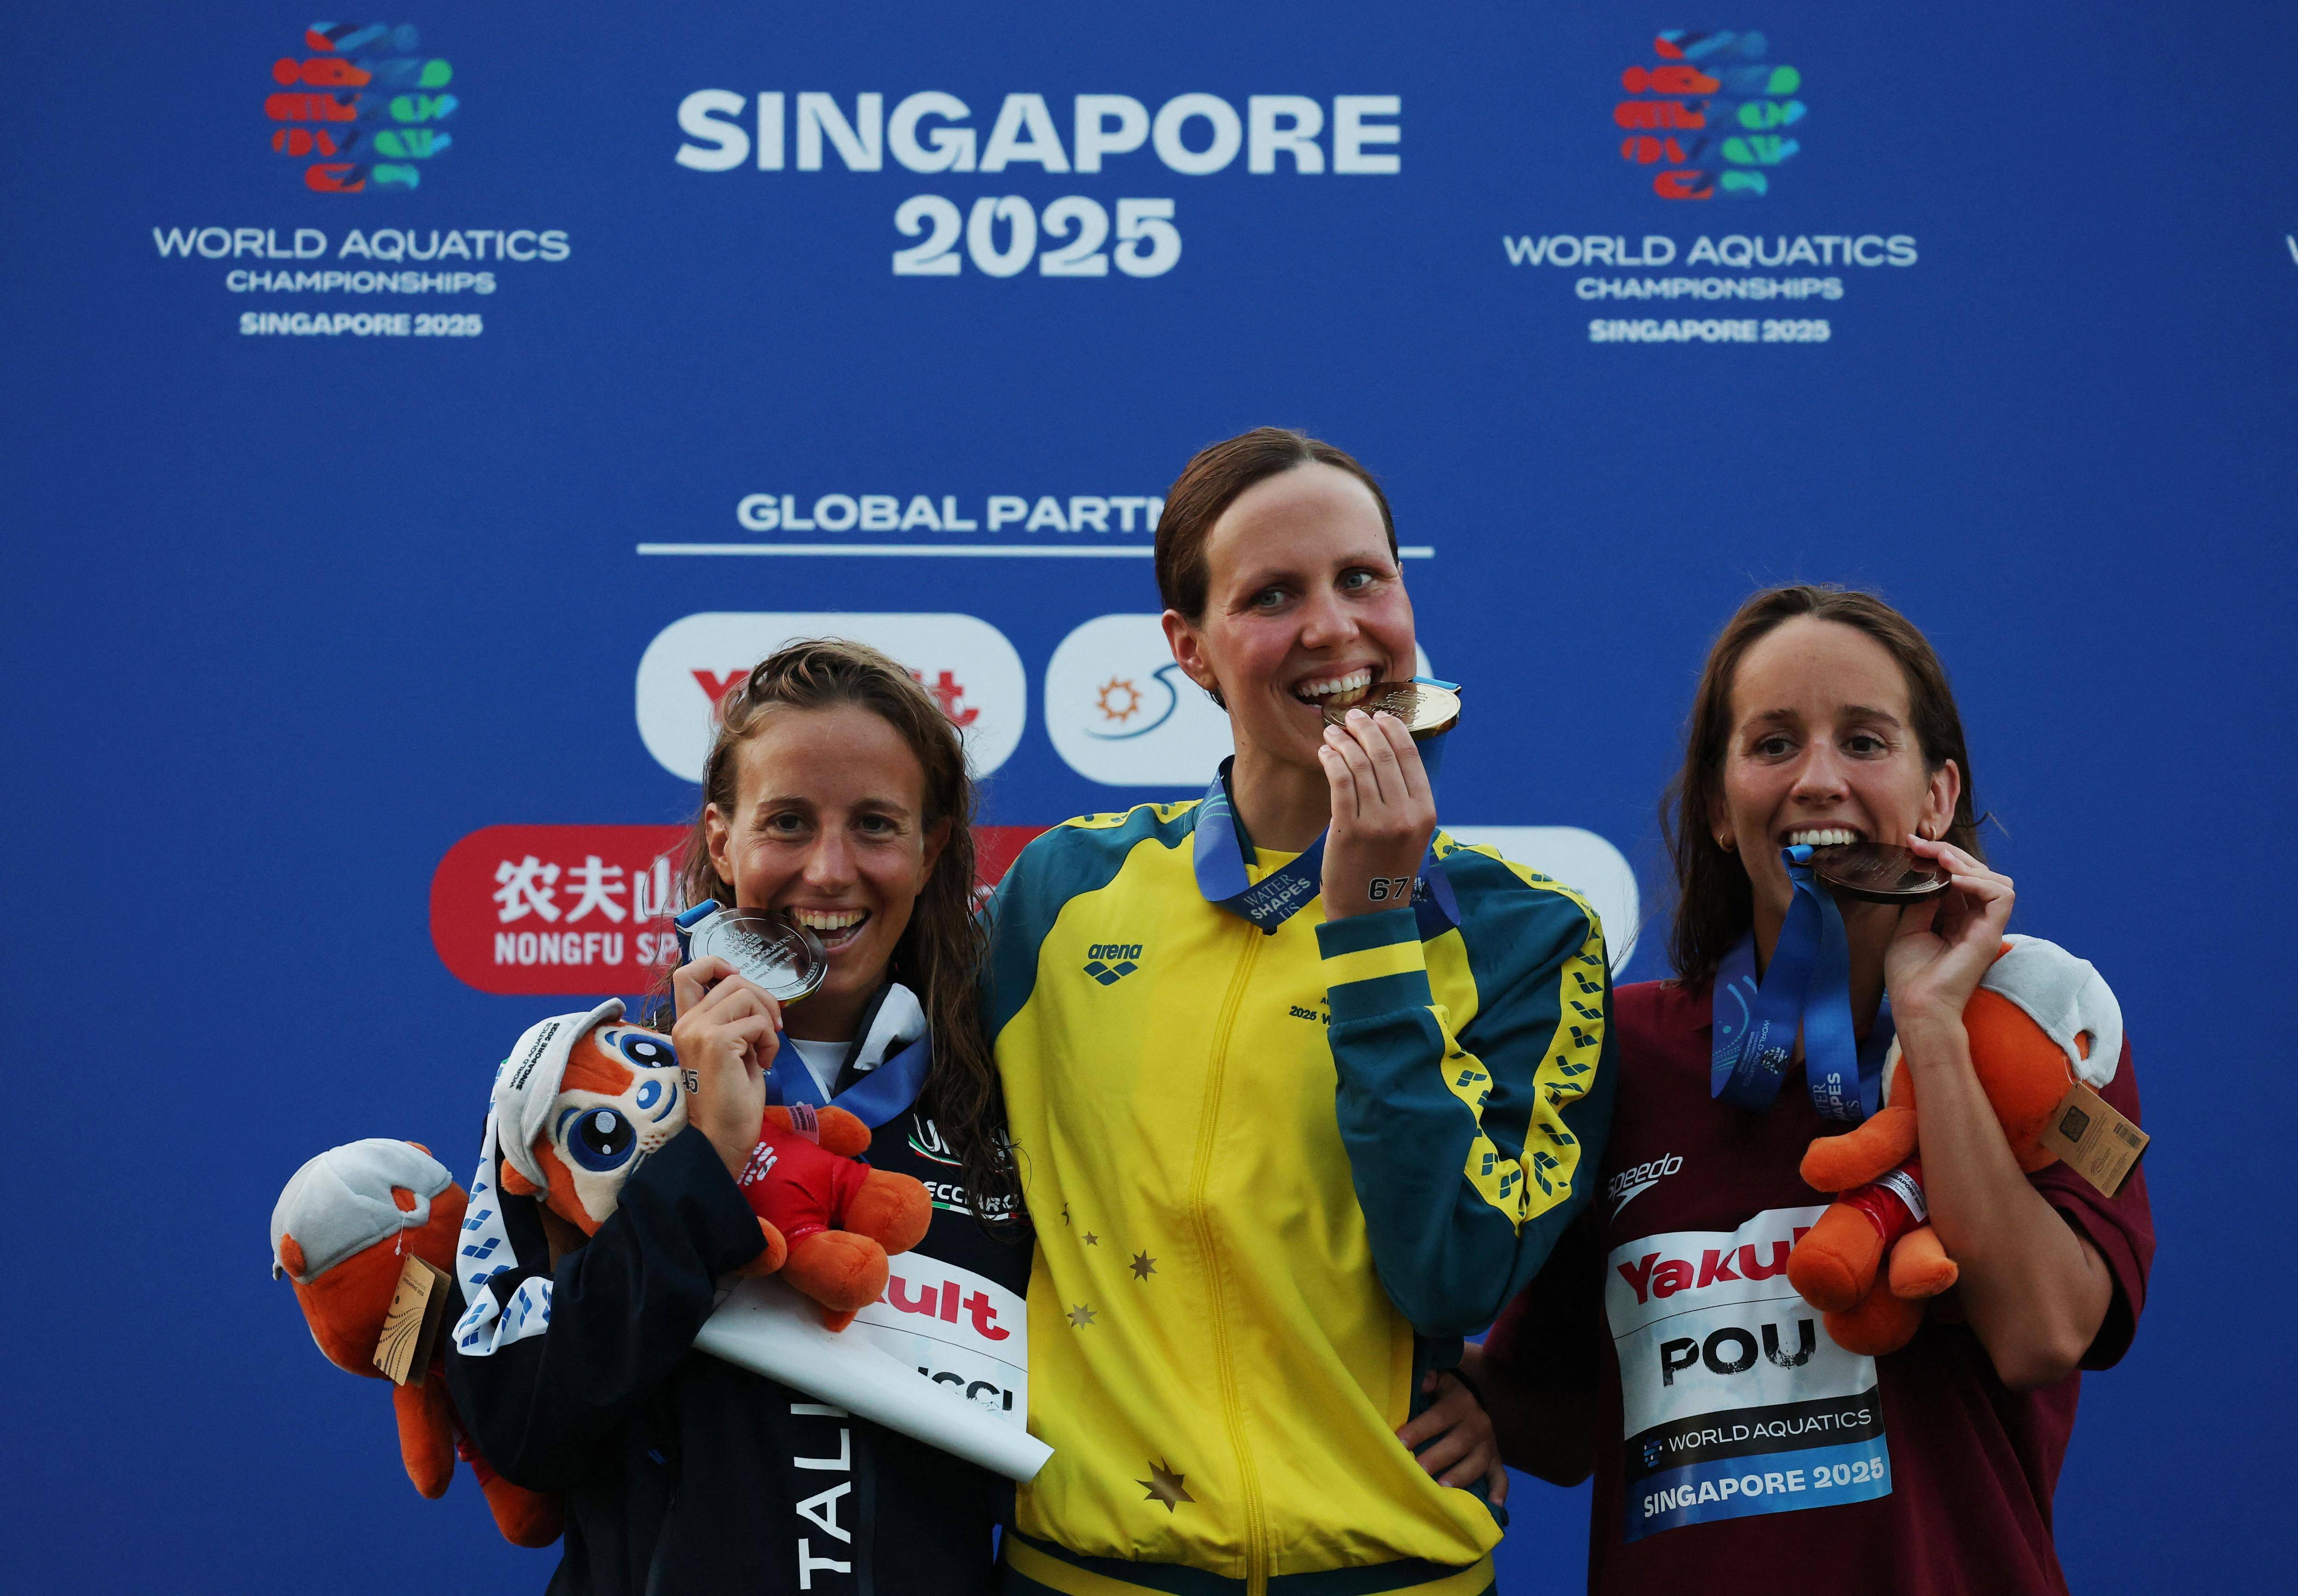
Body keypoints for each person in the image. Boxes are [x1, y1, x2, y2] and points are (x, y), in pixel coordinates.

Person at [984, 427, 1615, 1596]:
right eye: (1272, 595)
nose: (1333, 627)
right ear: (1192, 649)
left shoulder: (1529, 934)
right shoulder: (1061, 895)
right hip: (1085, 1571)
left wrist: (1373, 924)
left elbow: (1456, 1271)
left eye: (1363, 577)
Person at [1467, 585, 2154, 1595]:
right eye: (1774, 742)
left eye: (1866, 742)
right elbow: (1555, 1411)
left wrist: (1932, 1027)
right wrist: (1440, 1390)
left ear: (1937, 794)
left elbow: (2043, 1332)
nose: (1818, 779)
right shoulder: (1620, 1050)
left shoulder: (2048, 1028)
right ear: (1714, 802)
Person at [448, 639, 1029, 1595]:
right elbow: (521, 1428)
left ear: (932, 849)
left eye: (876, 825)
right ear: (721, 840)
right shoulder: (582, 1107)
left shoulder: (1005, 1107)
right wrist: (702, 1165)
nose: (830, 870)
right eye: (788, 822)